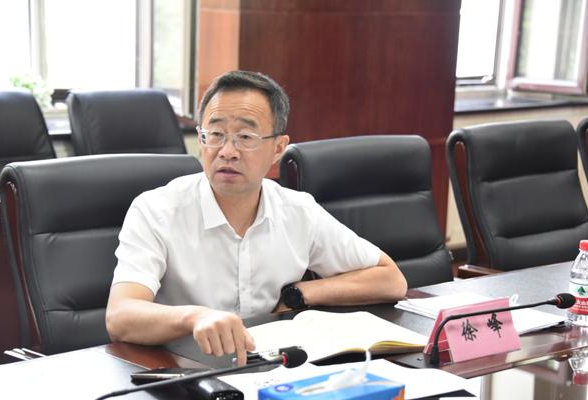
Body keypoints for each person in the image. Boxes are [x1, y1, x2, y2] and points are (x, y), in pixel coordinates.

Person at [105, 70, 407, 366]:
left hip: (272, 366)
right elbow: (120, 316)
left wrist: (301, 293)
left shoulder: (298, 210)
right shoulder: (156, 210)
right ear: (201, 139)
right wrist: (195, 317)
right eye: (215, 135)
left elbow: (390, 280)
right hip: (184, 370)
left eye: (245, 137)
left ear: (278, 148)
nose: (227, 151)